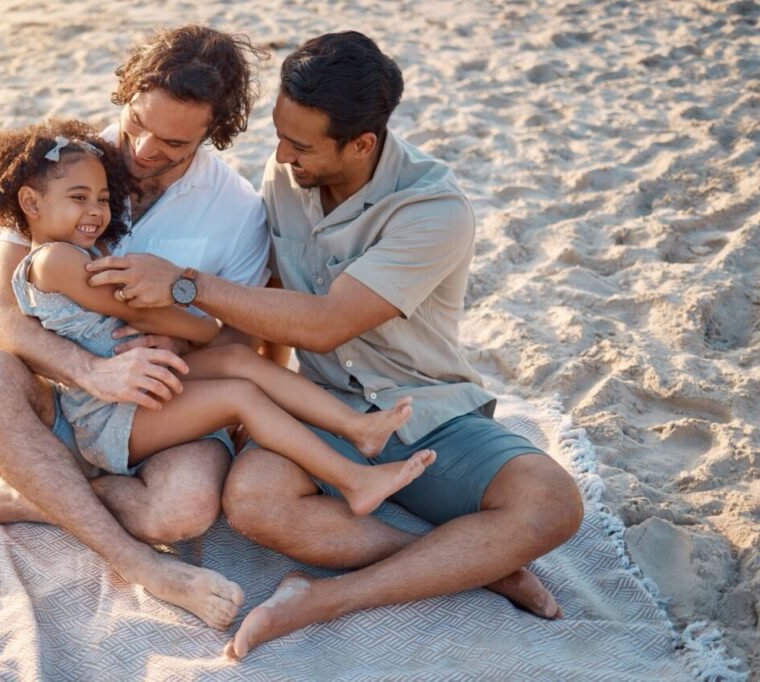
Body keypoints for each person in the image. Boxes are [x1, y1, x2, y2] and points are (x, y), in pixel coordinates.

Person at [85, 31, 585, 658]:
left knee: (552, 503)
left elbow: (324, 324)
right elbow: (265, 297)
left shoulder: (432, 209)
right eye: (278, 134)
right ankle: (475, 563)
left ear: (362, 144)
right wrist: (250, 396)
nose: (281, 154)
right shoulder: (286, 173)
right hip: (315, 403)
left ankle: (322, 599)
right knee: (253, 503)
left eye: (299, 144)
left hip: (424, 407)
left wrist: (183, 285)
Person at [0, 26, 272, 631]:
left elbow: (242, 339)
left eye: (173, 143)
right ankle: (140, 564)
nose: (142, 150)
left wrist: (177, 335)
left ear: (215, 133)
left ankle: (28, 497)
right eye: (137, 122)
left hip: (163, 405)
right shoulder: (66, 161)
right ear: (127, 93)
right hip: (62, 391)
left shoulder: (238, 209)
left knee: (181, 515)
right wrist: (88, 370)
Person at [0, 118, 434, 516]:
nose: (95, 211)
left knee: (239, 362)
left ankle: (357, 429)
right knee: (239, 396)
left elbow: (154, 319)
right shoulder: (55, 262)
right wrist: (201, 327)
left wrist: (193, 327)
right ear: (31, 204)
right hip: (110, 414)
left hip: (146, 377)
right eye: (79, 197)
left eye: (102, 198)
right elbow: (146, 315)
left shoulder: (85, 250)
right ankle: (354, 481)